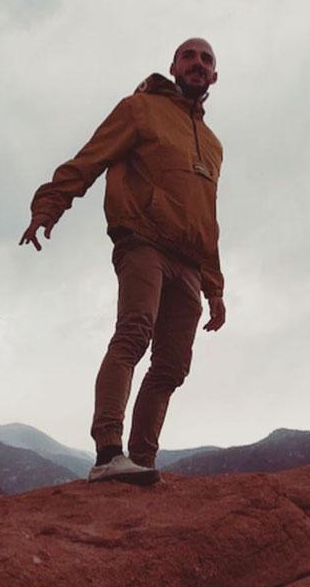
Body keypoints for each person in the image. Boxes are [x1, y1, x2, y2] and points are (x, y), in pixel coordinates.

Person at [20, 38, 227, 485]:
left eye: (205, 59)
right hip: (143, 241)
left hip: (189, 263)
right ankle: (108, 453)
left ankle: (142, 462)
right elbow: (91, 158)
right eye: (188, 56)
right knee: (134, 332)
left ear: (214, 76)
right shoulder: (140, 109)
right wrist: (50, 205)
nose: (196, 63)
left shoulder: (212, 144)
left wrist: (215, 287)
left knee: (172, 367)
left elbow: (206, 216)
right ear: (173, 66)